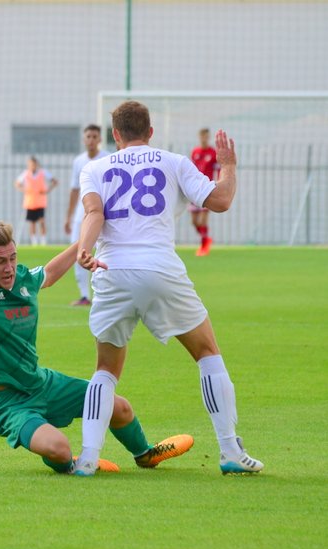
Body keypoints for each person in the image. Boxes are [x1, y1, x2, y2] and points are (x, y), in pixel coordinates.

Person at [0, 221, 193, 475]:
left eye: (12, 258)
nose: (9, 267)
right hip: (7, 403)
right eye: (0, 261)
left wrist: (87, 240)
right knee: (59, 449)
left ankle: (145, 455)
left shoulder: (24, 279)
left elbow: (50, 273)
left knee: (118, 406)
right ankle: (70, 464)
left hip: (42, 384)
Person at [75, 100, 262, 476]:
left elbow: (95, 214)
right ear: (151, 132)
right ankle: (230, 451)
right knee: (207, 353)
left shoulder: (95, 167)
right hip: (160, 268)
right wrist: (228, 166)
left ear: (114, 135)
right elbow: (221, 201)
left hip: (112, 270)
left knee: (105, 371)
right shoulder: (173, 161)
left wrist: (83, 249)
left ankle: (88, 458)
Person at [65, 125, 109, 306]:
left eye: (94, 136)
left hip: (101, 214)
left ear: (99, 139)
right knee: (79, 252)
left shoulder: (107, 158)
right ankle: (85, 295)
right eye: (88, 136)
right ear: (84, 140)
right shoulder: (78, 161)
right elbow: (75, 190)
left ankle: (105, 293)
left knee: (104, 251)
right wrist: (68, 216)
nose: (91, 139)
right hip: (81, 216)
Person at [188, 128, 219, 256]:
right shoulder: (195, 152)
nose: (204, 139)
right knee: (194, 222)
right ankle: (206, 239)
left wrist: (218, 184)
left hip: (207, 189)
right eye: (202, 137)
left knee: (203, 220)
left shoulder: (213, 153)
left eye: (206, 137)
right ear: (199, 137)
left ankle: (204, 246)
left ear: (209, 137)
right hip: (195, 189)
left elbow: (218, 169)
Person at [14, 156, 57, 246]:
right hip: (30, 202)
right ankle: (34, 242)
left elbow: (54, 181)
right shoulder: (26, 174)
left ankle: (43, 241)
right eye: (30, 164)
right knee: (32, 223)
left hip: (40, 201)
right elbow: (17, 183)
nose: (32, 166)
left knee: (42, 221)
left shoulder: (43, 173)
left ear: (36, 164)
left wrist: (47, 190)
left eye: (33, 164)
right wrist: (24, 190)